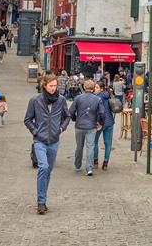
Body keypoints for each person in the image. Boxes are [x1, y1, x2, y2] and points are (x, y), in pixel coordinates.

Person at [23, 73, 70, 215]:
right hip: (40, 140)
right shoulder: (35, 100)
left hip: (54, 141)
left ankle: (43, 199)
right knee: (43, 167)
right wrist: (35, 131)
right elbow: (27, 119)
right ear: (44, 85)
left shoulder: (61, 100)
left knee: (48, 171)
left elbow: (67, 116)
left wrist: (61, 128)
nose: (53, 88)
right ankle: (41, 202)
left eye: (55, 86)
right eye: (51, 86)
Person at [69, 79, 105, 176]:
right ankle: (89, 168)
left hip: (79, 125)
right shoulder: (97, 99)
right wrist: (100, 122)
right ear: (93, 88)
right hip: (91, 126)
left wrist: (75, 119)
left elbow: (71, 111)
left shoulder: (78, 98)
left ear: (84, 87)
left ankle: (77, 165)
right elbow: (102, 113)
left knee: (79, 146)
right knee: (90, 147)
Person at [92, 82, 115, 170]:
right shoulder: (108, 95)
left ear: (101, 89)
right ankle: (105, 163)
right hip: (109, 122)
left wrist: (98, 122)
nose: (95, 89)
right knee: (108, 143)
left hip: (99, 122)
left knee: (95, 142)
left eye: (97, 87)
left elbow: (99, 112)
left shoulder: (97, 97)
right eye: (95, 87)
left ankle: (95, 161)